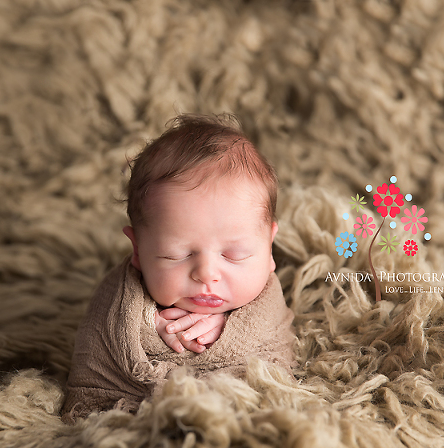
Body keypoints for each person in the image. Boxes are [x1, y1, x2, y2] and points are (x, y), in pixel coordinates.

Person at [61, 114, 295, 419]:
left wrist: (230, 328)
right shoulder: (117, 303)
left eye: (234, 255)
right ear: (138, 250)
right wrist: (151, 328)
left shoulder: (266, 306)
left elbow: (276, 353)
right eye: (176, 255)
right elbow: (95, 372)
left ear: (269, 248)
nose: (206, 274)